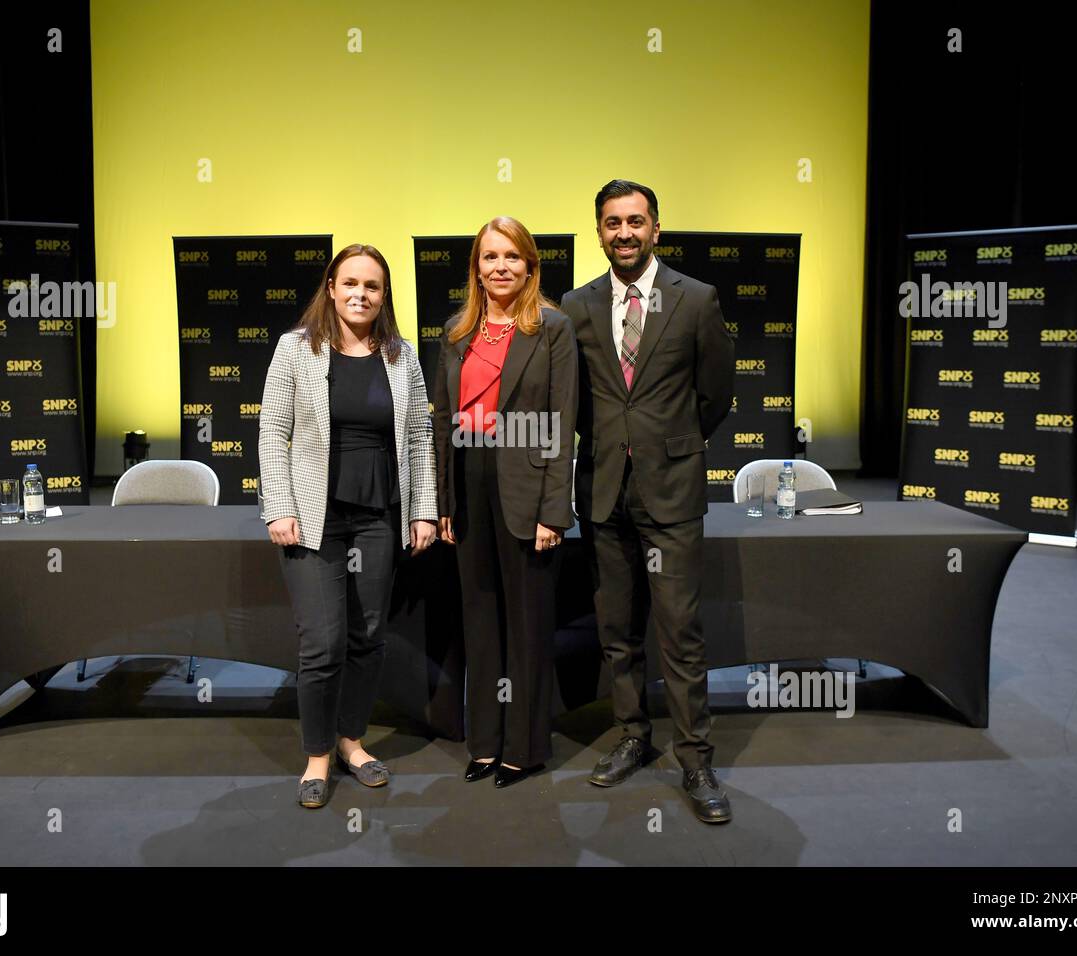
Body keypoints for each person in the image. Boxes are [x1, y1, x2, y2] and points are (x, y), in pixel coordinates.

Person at [560, 181, 737, 823]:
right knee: (616, 631)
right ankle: (634, 735)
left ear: (656, 229)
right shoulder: (576, 306)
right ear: (599, 232)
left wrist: (671, 447)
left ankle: (695, 759)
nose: (624, 233)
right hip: (603, 493)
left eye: (636, 221)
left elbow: (716, 394)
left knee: (681, 635)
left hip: (672, 491)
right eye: (613, 223)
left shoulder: (696, 300)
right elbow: (572, 400)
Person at [258, 243, 438, 809]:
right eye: (351, 283)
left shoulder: (400, 355)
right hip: (315, 516)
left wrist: (423, 509)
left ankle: (351, 742)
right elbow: (272, 433)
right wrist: (278, 505)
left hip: (380, 514)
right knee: (324, 642)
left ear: (384, 296)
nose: (361, 294)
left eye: (373, 286)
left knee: (367, 637)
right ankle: (317, 755)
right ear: (331, 288)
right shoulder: (296, 349)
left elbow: (418, 437)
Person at [432, 216, 578, 788]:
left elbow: (561, 424)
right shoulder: (455, 331)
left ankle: (524, 747)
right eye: (490, 257)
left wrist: (552, 510)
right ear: (476, 267)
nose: (500, 267)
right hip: (469, 480)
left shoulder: (553, 328)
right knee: (479, 622)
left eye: (512, 257)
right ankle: (485, 743)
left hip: (526, 483)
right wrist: (444, 500)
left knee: (527, 625)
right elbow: (444, 421)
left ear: (530, 265)